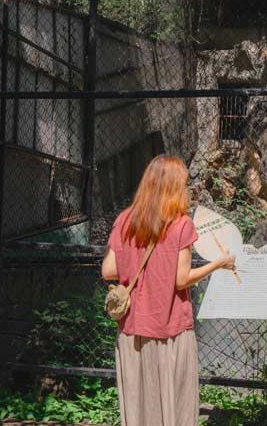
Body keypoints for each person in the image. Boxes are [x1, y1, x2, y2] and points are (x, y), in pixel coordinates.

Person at [100, 154, 235, 426]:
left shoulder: (124, 220)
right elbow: (181, 280)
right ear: (174, 187)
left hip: (132, 329)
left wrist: (137, 266)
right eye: (183, 184)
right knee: (175, 403)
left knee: (139, 404)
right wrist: (217, 264)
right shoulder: (181, 224)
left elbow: (108, 270)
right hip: (170, 328)